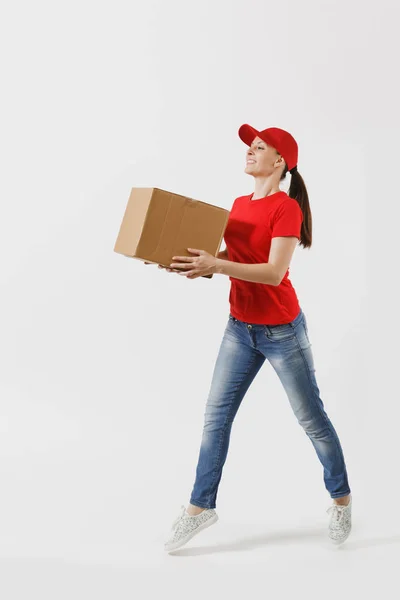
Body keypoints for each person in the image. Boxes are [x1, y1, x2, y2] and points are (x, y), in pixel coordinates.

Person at [150, 124, 352, 552]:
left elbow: (273, 272)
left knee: (312, 421)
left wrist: (216, 266)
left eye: (260, 147)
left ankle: (341, 500)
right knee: (215, 419)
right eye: (250, 146)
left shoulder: (287, 209)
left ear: (279, 163)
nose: (250, 151)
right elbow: (231, 260)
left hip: (281, 331)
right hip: (239, 327)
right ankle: (200, 508)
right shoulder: (239, 204)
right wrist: (194, 264)